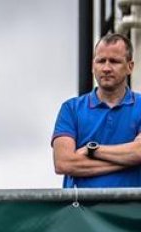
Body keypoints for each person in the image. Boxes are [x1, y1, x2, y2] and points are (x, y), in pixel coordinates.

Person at [52, 33, 141, 188]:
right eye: (101, 61)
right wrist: (128, 161)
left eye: (114, 61)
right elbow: (63, 163)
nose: (106, 68)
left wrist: (91, 149)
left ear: (130, 67)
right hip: (83, 210)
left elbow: (139, 152)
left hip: (133, 211)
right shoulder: (71, 109)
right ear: (93, 66)